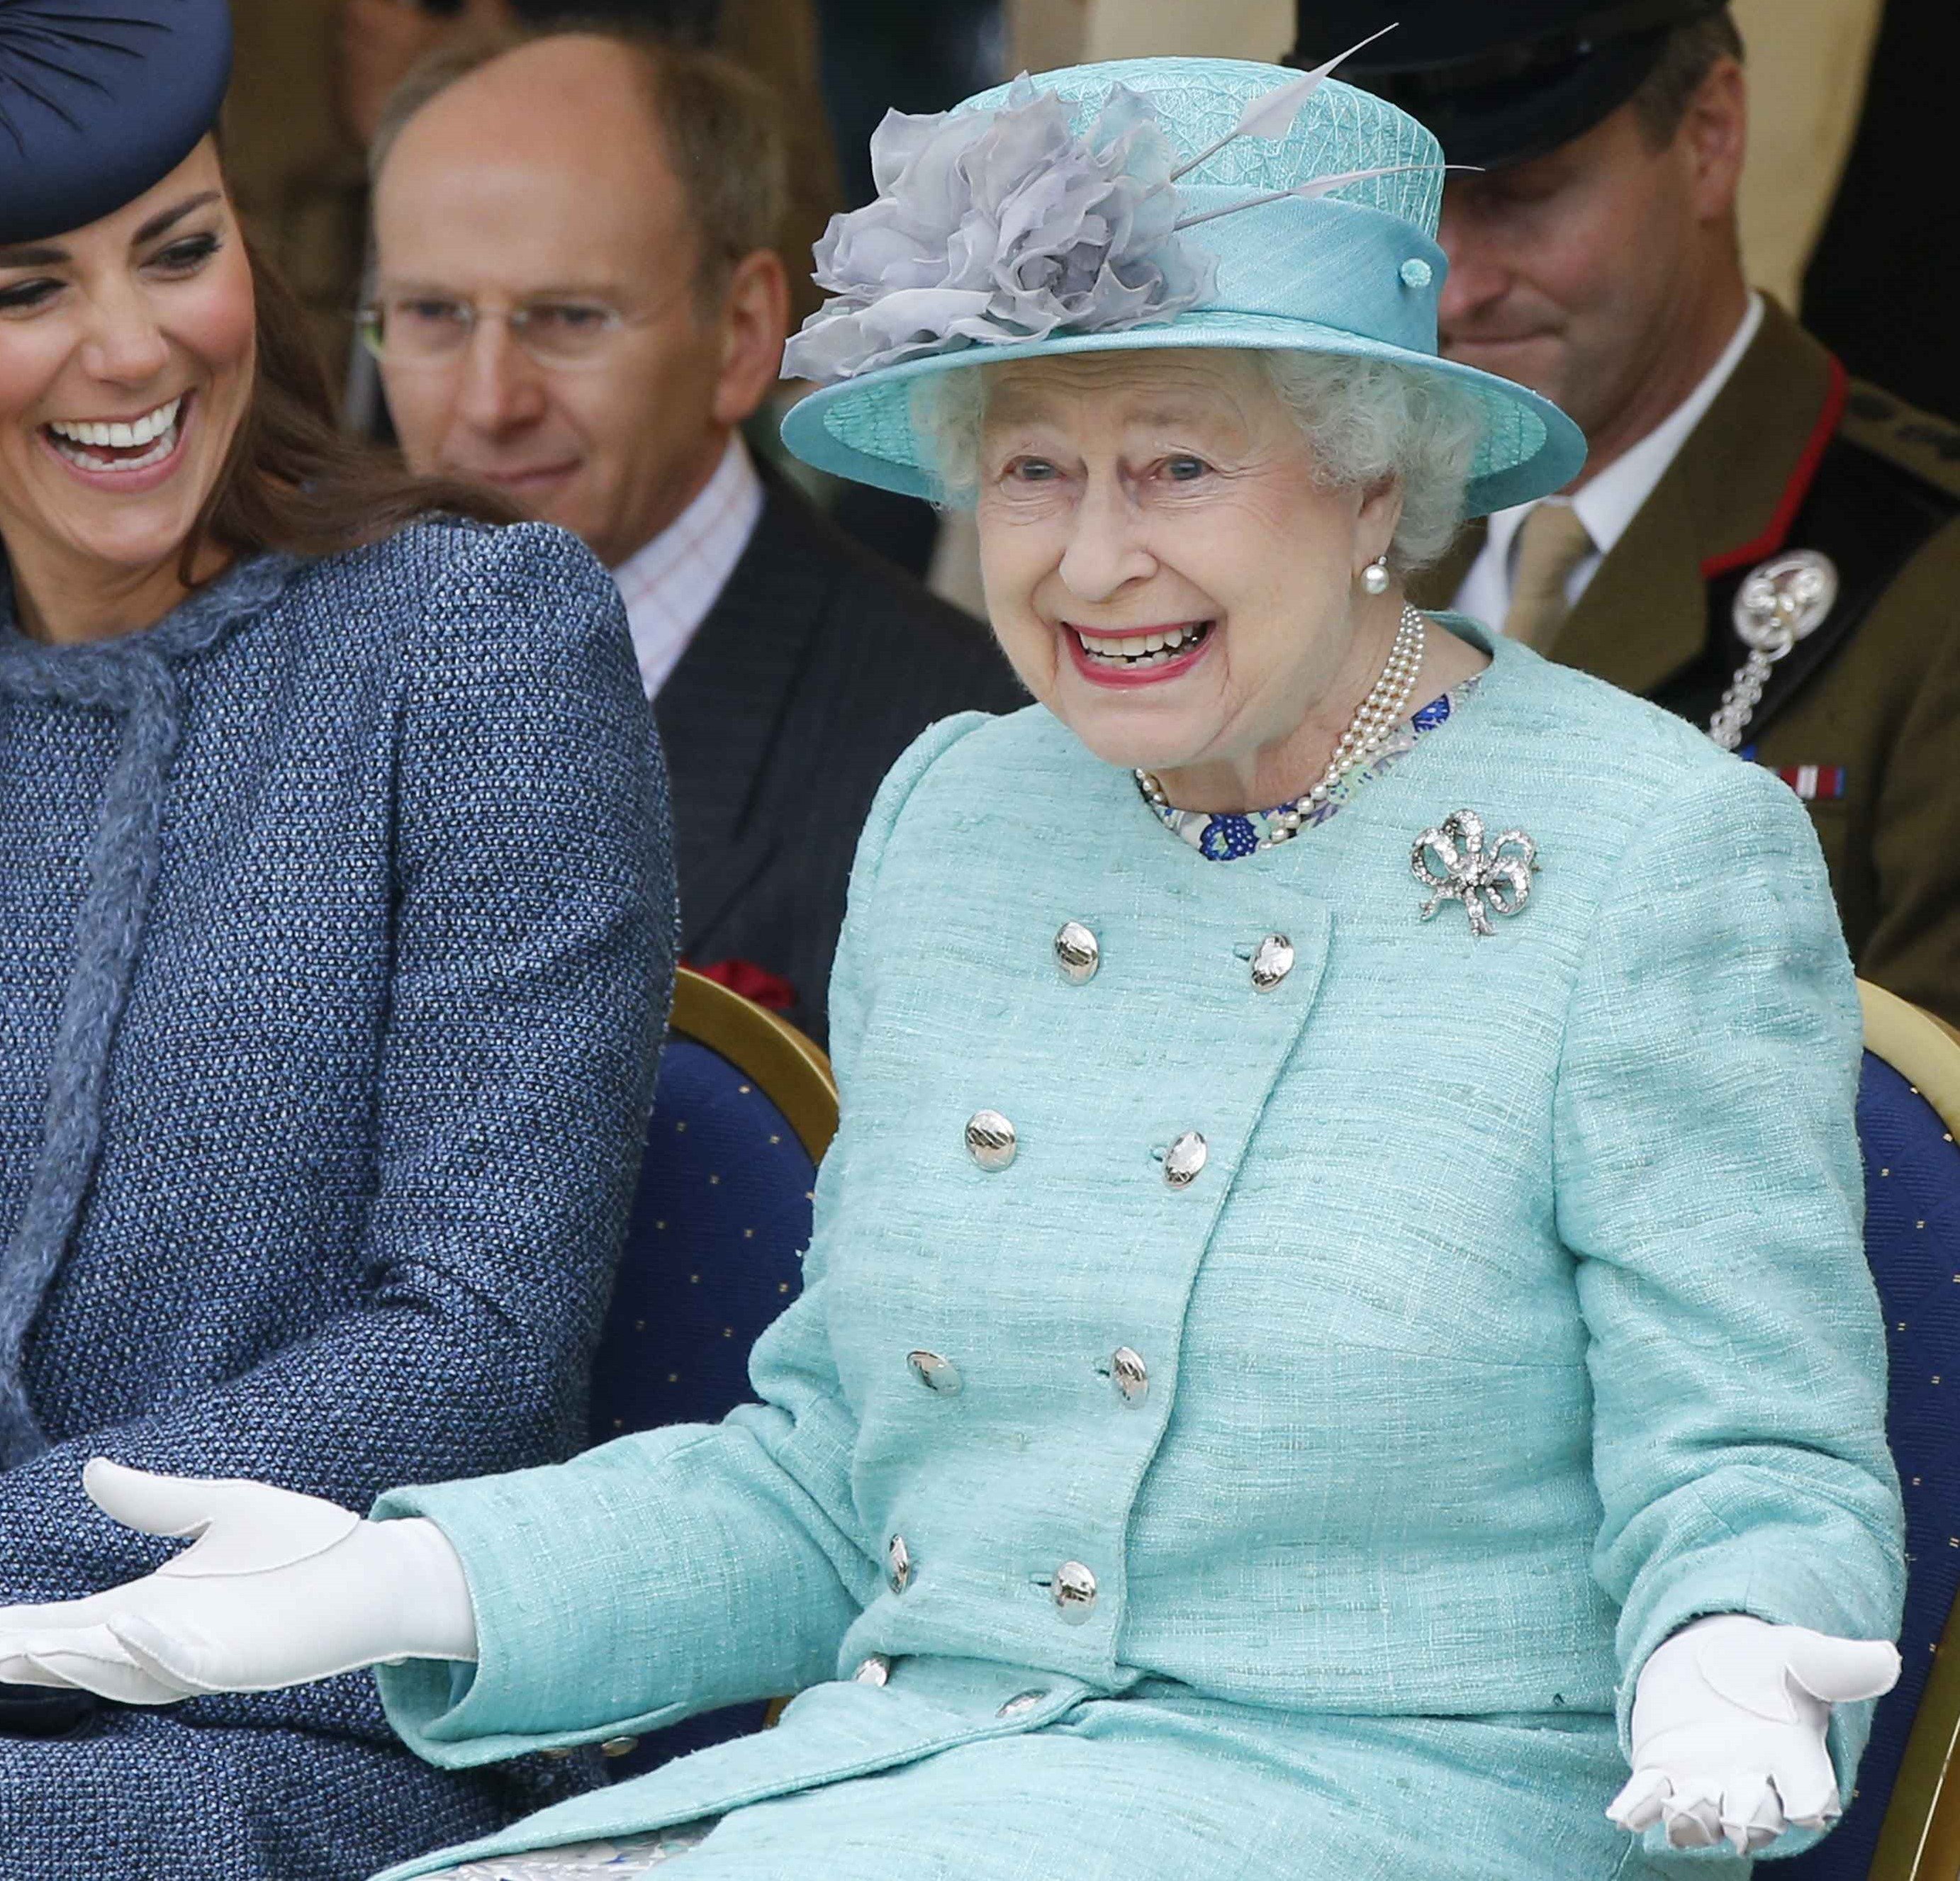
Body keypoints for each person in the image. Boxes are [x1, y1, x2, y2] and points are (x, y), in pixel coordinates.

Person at [0, 54, 1905, 1881]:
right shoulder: (963, 818)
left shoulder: (1653, 847)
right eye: (1026, 472)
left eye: (1173, 466)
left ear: (1369, 483)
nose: (1086, 564)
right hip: (919, 1774)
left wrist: (1731, 1636)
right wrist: (404, 1577)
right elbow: (839, 1477)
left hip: (1418, 1805)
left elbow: (1750, 1445)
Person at [0, 2, 673, 1874]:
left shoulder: (470, 637)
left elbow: (474, 1335)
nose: (132, 346)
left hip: (324, 1724)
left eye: (180, 249)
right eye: (24, 286)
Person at [1289, 0, 1960, 1028]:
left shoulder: (1924, 578)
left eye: (1522, 194)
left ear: (1708, 137)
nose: (1457, 287)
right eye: (1410, 204)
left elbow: (1925, 1139)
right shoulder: (1321, 528)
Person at [363, 25, 1024, 1041]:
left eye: (568, 318)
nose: (489, 403)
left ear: (743, 333)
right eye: (432, 314)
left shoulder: (962, 759)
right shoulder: (297, 683)